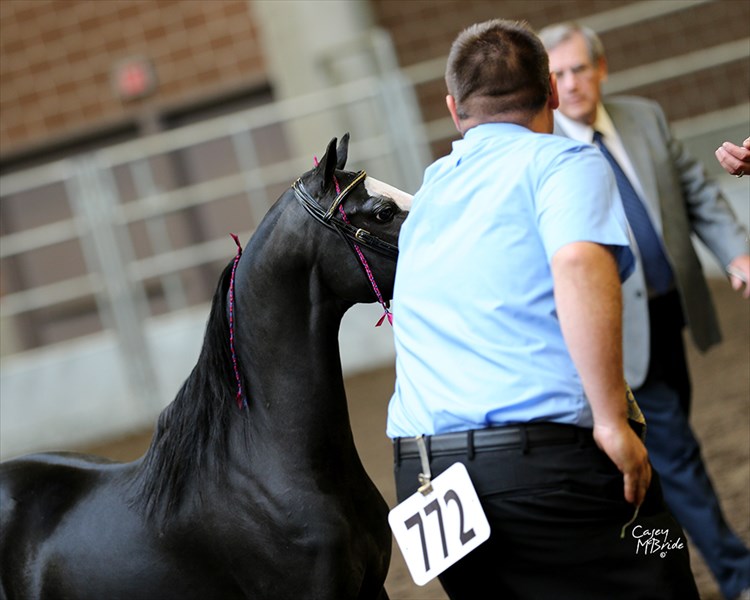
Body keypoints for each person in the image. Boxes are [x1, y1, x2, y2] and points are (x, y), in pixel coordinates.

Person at [388, 18, 698, 600]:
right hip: (549, 470)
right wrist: (611, 422)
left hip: (425, 477)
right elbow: (578, 263)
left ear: (454, 109)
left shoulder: (429, 191)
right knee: (662, 556)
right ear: (552, 90)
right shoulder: (563, 162)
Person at [539, 21, 750, 600]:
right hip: (609, 331)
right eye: (558, 74)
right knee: (675, 453)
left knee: (659, 460)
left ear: (601, 68)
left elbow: (695, 192)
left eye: (580, 68)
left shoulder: (643, 117)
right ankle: (737, 575)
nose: (571, 83)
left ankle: (660, 566)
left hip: (668, 313)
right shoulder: (545, 151)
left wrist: (737, 254)